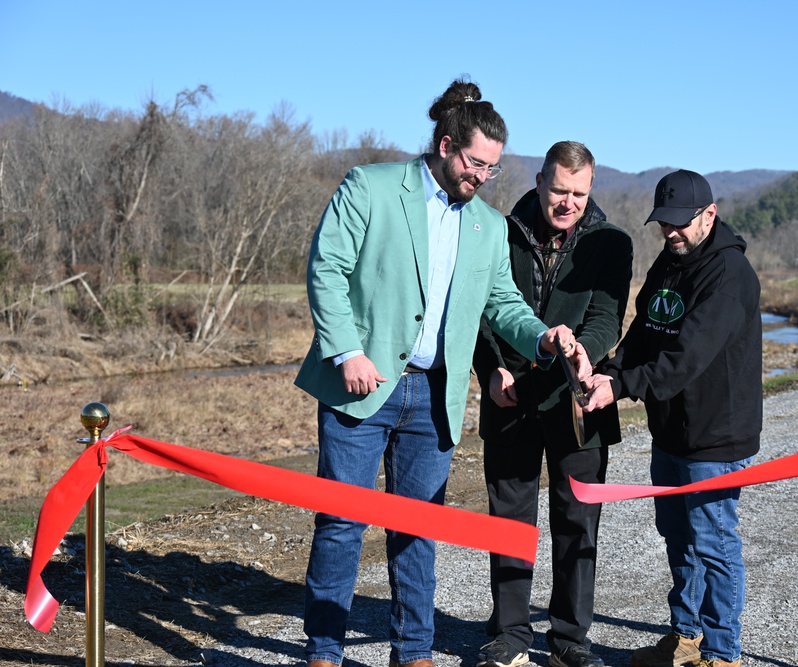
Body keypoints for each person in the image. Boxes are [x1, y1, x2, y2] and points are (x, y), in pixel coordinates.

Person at [294, 78, 581, 667]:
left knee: (418, 530)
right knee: (342, 524)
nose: (481, 177)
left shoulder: (490, 226)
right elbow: (326, 270)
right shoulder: (370, 186)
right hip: (362, 387)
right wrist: (347, 351)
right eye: (476, 163)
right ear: (447, 145)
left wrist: (543, 336)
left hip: (435, 397)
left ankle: (414, 653)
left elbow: (502, 306)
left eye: (493, 170)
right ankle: (324, 652)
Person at [583, 169, 762, 667]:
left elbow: (685, 358)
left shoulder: (729, 276)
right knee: (678, 537)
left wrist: (622, 387)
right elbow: (646, 330)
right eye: (664, 224)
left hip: (715, 436)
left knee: (714, 542)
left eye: (681, 224)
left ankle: (723, 654)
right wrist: (610, 371)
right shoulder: (670, 260)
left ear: (710, 214)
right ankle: (686, 638)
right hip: (671, 432)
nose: (672, 233)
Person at [472, 142, 633, 667]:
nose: (568, 202)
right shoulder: (496, 229)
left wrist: (589, 354)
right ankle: (510, 635)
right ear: (540, 181)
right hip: (510, 395)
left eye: (580, 194)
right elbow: (481, 311)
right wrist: (490, 367)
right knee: (509, 521)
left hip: (579, 398)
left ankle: (569, 642)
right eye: (560, 190)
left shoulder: (613, 242)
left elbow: (608, 315)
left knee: (578, 522)